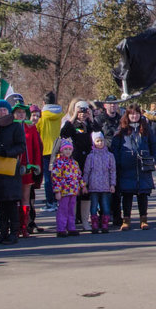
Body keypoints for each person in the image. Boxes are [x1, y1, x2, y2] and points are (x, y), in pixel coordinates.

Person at [111, 105, 156, 231]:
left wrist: (155, 157)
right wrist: (118, 161)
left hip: (143, 166)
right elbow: (115, 147)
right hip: (126, 167)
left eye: (137, 113)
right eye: (131, 114)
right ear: (127, 115)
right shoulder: (121, 130)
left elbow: (153, 143)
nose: (134, 116)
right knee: (127, 195)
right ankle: (126, 220)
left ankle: (144, 219)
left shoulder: (146, 128)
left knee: (142, 194)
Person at [0, 99, 26, 245]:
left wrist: (6, 152)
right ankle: (3, 232)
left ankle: (14, 233)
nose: (2, 112)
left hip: (9, 167)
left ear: (8, 111)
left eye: (4, 109)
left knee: (11, 202)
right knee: (0, 203)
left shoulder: (15, 126)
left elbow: (21, 146)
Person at [60, 100, 94, 230]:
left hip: (88, 161)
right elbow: (63, 134)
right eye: (80, 110)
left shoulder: (89, 124)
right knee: (74, 191)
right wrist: (74, 116)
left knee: (86, 191)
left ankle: (85, 220)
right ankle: (72, 221)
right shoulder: (70, 124)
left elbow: (97, 131)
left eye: (84, 110)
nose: (82, 113)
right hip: (75, 161)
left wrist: (90, 118)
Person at [13, 102, 42, 238]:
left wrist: (37, 165)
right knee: (13, 197)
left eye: (23, 112)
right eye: (18, 112)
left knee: (25, 197)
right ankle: (14, 225)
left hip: (28, 168)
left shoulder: (30, 127)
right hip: (13, 168)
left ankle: (24, 227)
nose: (21, 114)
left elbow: (36, 148)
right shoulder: (11, 127)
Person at [93, 94, 122, 225]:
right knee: (103, 189)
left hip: (118, 156)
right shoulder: (99, 120)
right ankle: (103, 214)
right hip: (102, 157)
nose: (113, 105)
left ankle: (117, 214)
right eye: (110, 103)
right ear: (105, 105)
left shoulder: (121, 119)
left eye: (115, 103)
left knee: (116, 188)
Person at [83, 131, 116, 233]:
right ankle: (95, 224)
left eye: (101, 141)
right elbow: (86, 171)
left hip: (106, 185)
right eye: (97, 141)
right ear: (94, 143)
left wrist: (112, 184)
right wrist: (84, 185)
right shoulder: (90, 156)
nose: (100, 143)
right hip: (93, 186)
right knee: (93, 206)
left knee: (105, 206)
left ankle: (105, 224)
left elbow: (113, 170)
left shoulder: (109, 155)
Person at [52, 137, 86, 237]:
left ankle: (71, 227)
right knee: (63, 209)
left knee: (72, 209)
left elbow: (79, 175)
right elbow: (56, 177)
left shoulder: (74, 163)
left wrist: (83, 186)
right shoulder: (58, 163)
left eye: (69, 149)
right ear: (61, 150)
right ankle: (61, 228)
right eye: (66, 149)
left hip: (73, 190)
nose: (68, 151)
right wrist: (57, 191)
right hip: (63, 191)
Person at [36, 92, 63, 212]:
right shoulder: (61, 114)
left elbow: (37, 131)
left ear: (44, 102)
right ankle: (59, 200)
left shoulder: (41, 116)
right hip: (59, 149)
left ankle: (50, 202)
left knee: (48, 178)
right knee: (59, 176)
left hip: (46, 150)